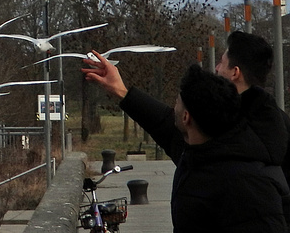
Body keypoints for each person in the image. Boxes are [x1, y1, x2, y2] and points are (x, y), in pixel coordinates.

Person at [83, 54, 288, 232]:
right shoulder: (201, 151)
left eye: (177, 103)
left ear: (186, 117)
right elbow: (162, 122)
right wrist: (121, 91)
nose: (173, 108)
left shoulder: (247, 184)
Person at [218, 30, 290, 224]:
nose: (216, 68)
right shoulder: (279, 122)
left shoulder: (230, 126)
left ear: (235, 72)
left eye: (221, 63)